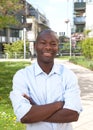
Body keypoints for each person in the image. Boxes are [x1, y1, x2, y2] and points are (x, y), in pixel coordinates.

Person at [10, 29, 82, 130]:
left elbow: (73, 115)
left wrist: (36, 110)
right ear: (35, 46)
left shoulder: (68, 75)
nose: (48, 47)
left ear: (58, 48)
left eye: (53, 44)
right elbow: (24, 116)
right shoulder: (22, 76)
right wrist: (59, 104)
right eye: (43, 43)